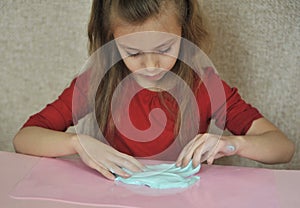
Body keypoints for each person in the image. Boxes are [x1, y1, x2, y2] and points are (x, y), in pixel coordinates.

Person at [13, 0, 295, 181]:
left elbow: (283, 148)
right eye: (133, 52)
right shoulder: (96, 81)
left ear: (184, 32)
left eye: (164, 49)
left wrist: (231, 144)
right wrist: (78, 143)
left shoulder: (205, 85)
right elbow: (24, 138)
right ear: (111, 40)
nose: (150, 65)